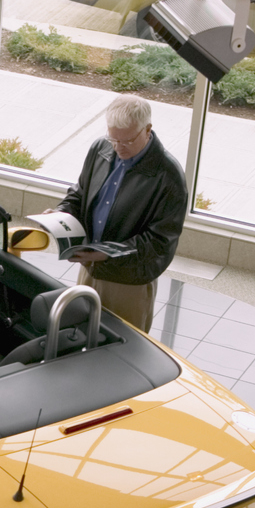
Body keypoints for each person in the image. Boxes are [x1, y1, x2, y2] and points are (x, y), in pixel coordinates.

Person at [51, 94, 188, 333]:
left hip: (129, 284)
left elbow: (159, 243)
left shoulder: (169, 175)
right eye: (113, 138)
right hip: (89, 269)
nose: (118, 147)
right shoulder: (100, 148)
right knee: (79, 339)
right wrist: (60, 214)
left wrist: (108, 255)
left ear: (148, 130)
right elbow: (80, 194)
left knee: (122, 353)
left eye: (127, 141)